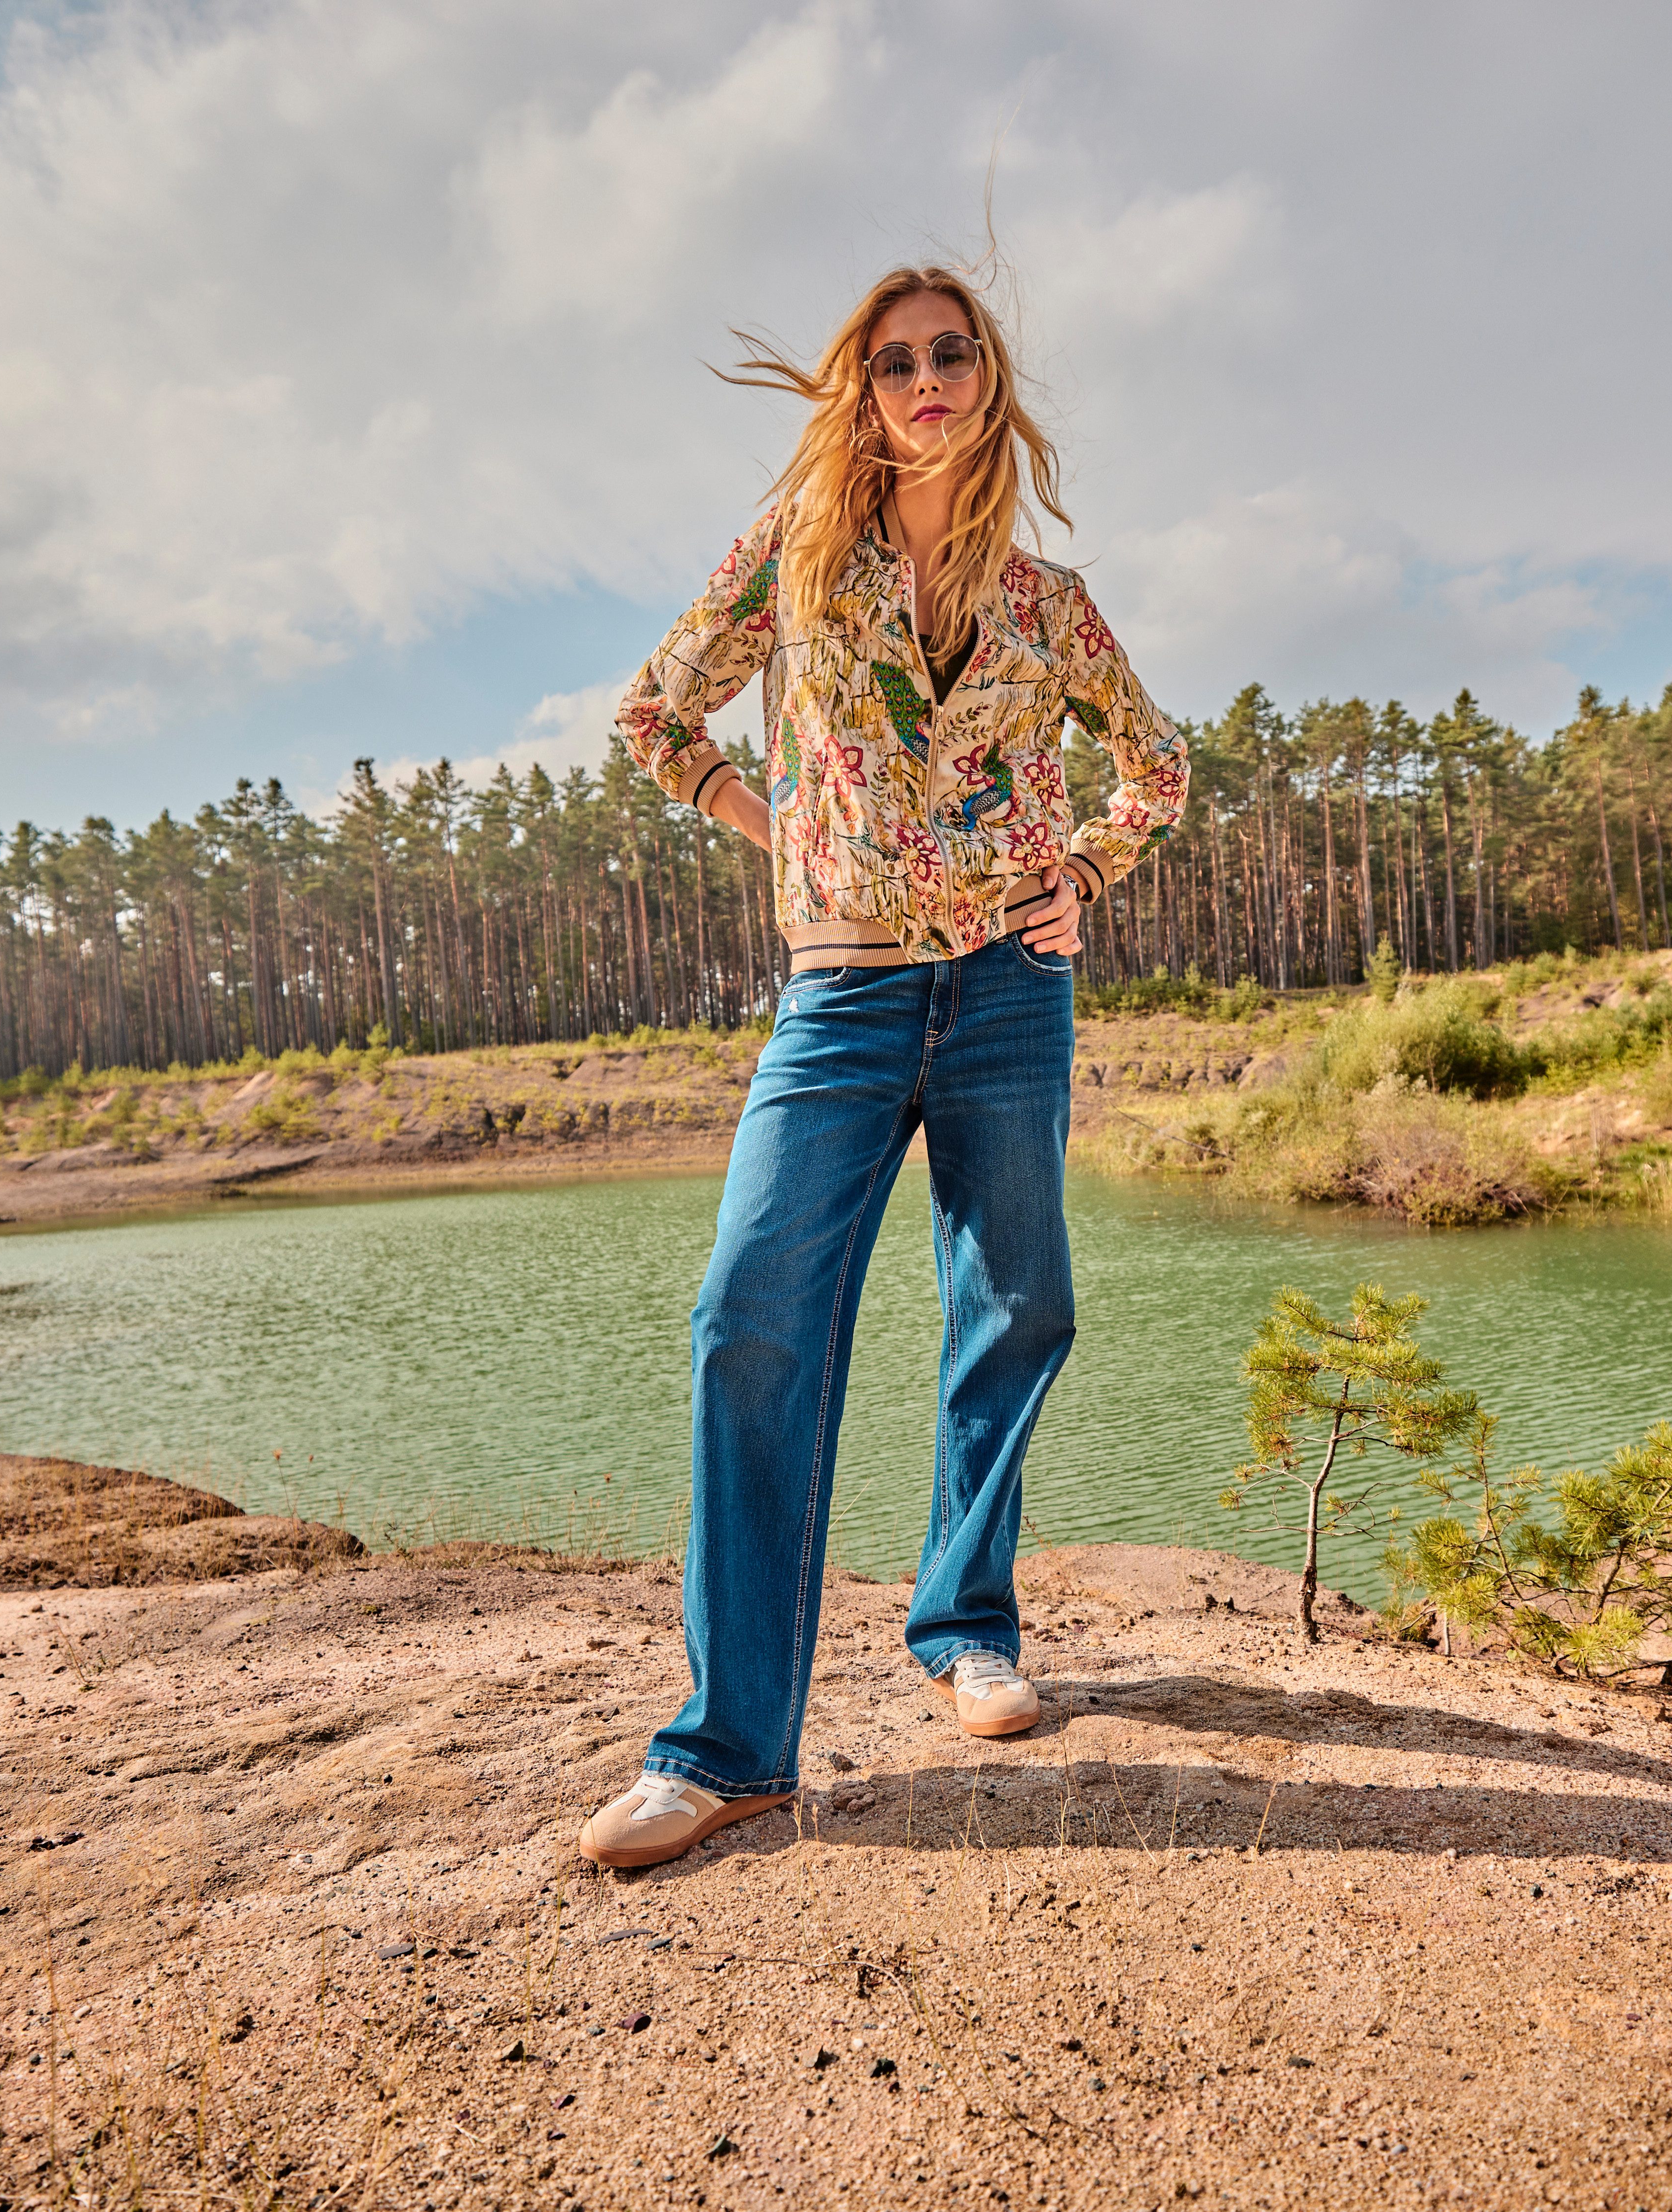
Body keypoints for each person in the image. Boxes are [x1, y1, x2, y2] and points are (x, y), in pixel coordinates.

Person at [577, 264, 1190, 1869]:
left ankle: (963, 1625)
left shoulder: (1049, 606)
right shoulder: (797, 569)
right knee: (752, 1312)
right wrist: (780, 829)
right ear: (861, 391)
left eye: (954, 352)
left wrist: (1093, 873)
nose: (927, 376)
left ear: (987, 379)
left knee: (1020, 1301)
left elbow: (1160, 764)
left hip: (1008, 993)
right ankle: (728, 1748)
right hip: (841, 994)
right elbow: (654, 718)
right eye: (896, 358)